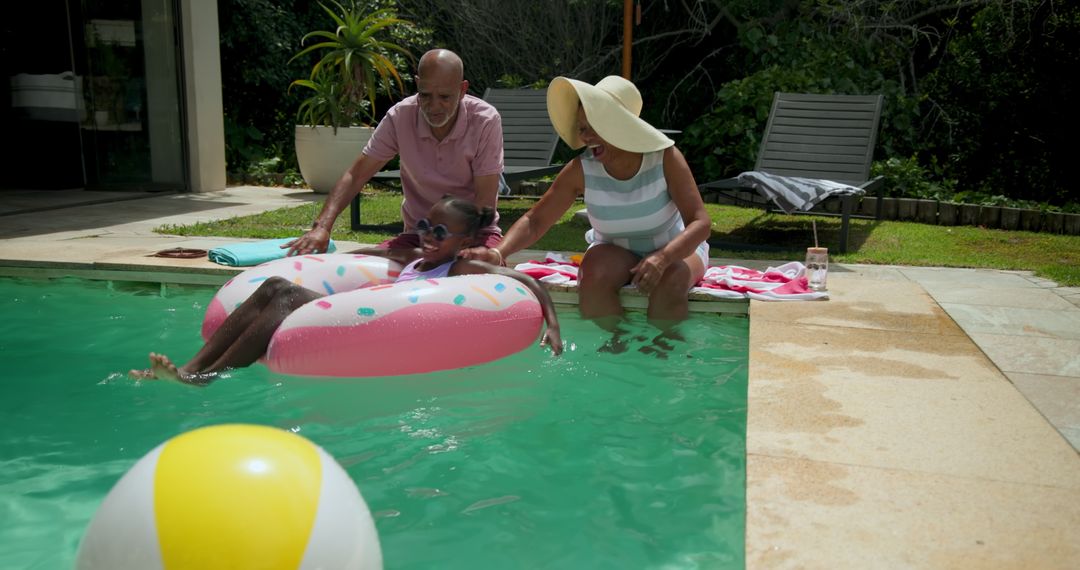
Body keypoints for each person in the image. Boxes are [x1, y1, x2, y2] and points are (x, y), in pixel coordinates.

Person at [131, 197, 562, 385]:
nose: (429, 236)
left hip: (369, 321)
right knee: (275, 284)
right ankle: (193, 368)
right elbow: (371, 254)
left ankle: (202, 376)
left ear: (464, 241)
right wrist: (328, 254)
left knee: (282, 293)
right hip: (352, 311)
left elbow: (524, 280)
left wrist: (553, 326)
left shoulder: (461, 265)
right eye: (425, 226)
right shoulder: (416, 256)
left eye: (441, 232)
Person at [459, 76, 711, 352]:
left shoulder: (666, 158)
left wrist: (663, 258)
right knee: (593, 273)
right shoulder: (581, 169)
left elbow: (700, 223)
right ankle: (623, 344)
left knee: (670, 281)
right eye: (582, 128)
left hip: (676, 248)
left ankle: (663, 350)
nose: (584, 137)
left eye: (592, 127)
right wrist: (499, 253)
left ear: (620, 125)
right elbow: (536, 220)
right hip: (616, 252)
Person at [286, 48, 505, 256]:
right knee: (361, 264)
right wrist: (321, 227)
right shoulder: (400, 116)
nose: (434, 106)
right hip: (419, 236)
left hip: (473, 236)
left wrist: (450, 246)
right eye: (425, 95)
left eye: (445, 97)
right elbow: (357, 174)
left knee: (472, 270)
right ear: (417, 84)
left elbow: (484, 200)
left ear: (462, 89)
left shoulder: (485, 120)